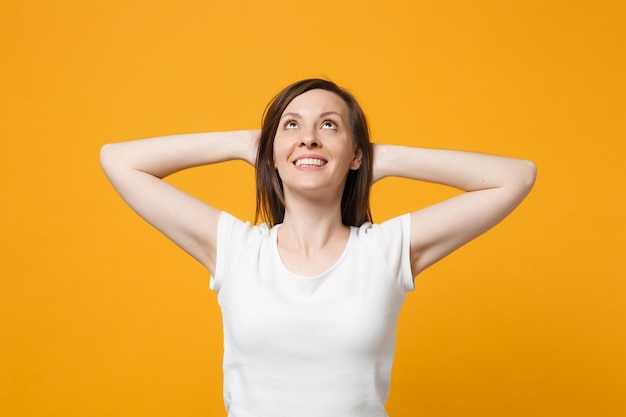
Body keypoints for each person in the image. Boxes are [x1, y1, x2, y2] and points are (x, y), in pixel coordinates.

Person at [100, 78, 536, 417]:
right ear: (270, 152)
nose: (309, 138)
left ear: (355, 154)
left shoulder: (385, 251)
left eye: (329, 125)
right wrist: (241, 144)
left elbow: (516, 177)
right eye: (291, 125)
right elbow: (118, 160)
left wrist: (385, 159)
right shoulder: (234, 249)